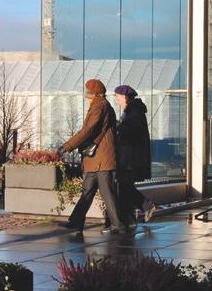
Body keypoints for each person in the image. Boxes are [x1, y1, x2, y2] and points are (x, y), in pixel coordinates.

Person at [57, 79, 124, 235]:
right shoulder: (100, 105)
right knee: (87, 190)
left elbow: (88, 130)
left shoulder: (99, 106)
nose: (86, 96)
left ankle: (118, 225)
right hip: (97, 159)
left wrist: (67, 146)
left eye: (87, 92)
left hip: (101, 158)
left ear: (94, 94)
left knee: (107, 192)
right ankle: (75, 222)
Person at [114, 85, 156, 226]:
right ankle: (131, 219)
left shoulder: (133, 111)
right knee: (125, 187)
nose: (116, 99)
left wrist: (118, 126)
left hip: (130, 158)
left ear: (125, 97)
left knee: (124, 186)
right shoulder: (132, 110)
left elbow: (134, 134)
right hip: (130, 156)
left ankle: (145, 207)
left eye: (117, 96)